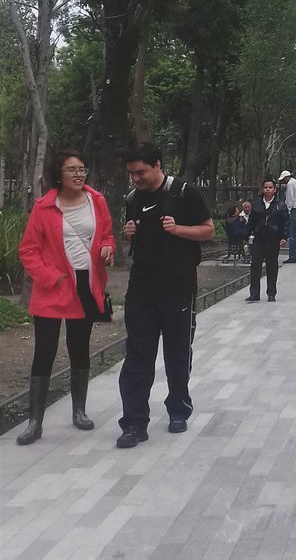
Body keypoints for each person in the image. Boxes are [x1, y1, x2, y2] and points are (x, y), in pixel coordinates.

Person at [117, 143, 215, 448]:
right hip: (142, 287)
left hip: (178, 286)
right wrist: (128, 232)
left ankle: (178, 409)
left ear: (158, 165)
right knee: (137, 355)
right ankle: (134, 422)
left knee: (177, 352)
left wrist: (178, 229)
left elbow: (208, 230)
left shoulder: (184, 193)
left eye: (141, 172)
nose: (135, 179)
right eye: (131, 173)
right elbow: (133, 236)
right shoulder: (133, 199)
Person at [17, 149, 115, 446]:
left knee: (79, 346)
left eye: (82, 169)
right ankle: (35, 422)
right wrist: (51, 277)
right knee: (44, 351)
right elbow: (28, 251)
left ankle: (79, 411)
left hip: (86, 285)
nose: (78, 174)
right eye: (72, 169)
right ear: (59, 174)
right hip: (53, 288)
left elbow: (108, 234)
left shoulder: (96, 201)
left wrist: (107, 248)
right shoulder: (44, 207)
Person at [246, 177, 290, 301]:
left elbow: (286, 222)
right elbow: (251, 222)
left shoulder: (280, 205)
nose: (268, 189)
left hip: (273, 239)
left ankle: (271, 293)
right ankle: (254, 294)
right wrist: (247, 234)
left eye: (270, 187)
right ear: (262, 189)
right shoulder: (256, 204)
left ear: (274, 189)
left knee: (272, 266)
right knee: (255, 266)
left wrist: (284, 237)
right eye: (266, 187)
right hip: (259, 239)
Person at [279, 169, 296, 263]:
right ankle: (295, 255)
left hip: (293, 210)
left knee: (292, 234)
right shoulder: (295, 182)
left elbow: (289, 199)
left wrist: (287, 210)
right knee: (294, 233)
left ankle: (293, 256)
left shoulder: (290, 184)